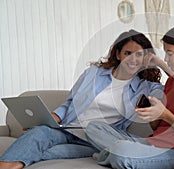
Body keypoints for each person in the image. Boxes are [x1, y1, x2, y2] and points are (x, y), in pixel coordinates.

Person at [0, 29, 165, 169]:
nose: (133, 59)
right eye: (128, 53)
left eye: (139, 55)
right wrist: (50, 118)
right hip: (69, 130)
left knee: (47, 153)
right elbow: (69, 103)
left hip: (94, 142)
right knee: (39, 132)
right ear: (118, 54)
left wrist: (159, 63)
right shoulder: (93, 74)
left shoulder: (146, 87)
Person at [86, 22, 174, 169]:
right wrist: (152, 114)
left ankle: (110, 154)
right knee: (94, 127)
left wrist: (166, 114)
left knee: (121, 152)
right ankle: (113, 153)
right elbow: (157, 126)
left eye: (170, 53)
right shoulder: (173, 81)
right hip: (152, 143)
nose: (166, 59)